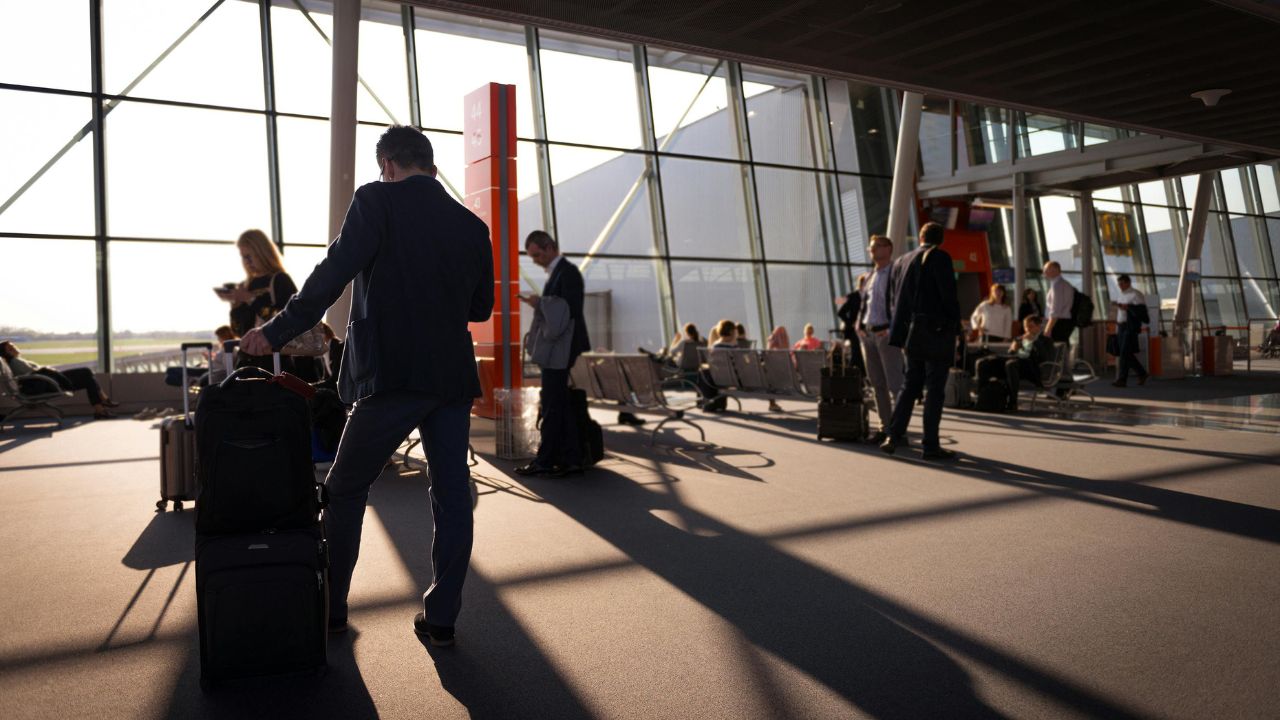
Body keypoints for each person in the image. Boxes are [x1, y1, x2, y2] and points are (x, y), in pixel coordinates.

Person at [240, 125, 493, 647]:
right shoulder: (471, 225)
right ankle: (442, 618)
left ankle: (332, 607)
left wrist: (275, 331)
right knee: (450, 496)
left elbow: (332, 274)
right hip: (449, 377)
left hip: (391, 375)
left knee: (346, 487)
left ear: (389, 166)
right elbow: (480, 308)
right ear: (431, 164)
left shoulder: (377, 200)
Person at [881, 222, 961, 461]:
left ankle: (893, 436)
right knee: (935, 389)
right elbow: (948, 296)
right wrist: (956, 328)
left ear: (920, 237)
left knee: (910, 385)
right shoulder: (940, 257)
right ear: (941, 239)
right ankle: (930, 446)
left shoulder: (901, 261)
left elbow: (891, 299)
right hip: (935, 332)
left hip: (910, 334)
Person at [515, 231, 591, 477]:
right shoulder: (563, 273)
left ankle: (547, 459)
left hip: (561, 349)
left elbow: (564, 314)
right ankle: (569, 457)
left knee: (552, 403)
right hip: (563, 348)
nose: (535, 260)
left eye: (537, 254)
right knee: (559, 403)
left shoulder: (566, 273)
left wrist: (540, 303)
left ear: (550, 248)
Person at [215, 229, 300, 374]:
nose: (247, 262)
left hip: (276, 360)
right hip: (248, 360)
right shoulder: (247, 285)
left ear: (261, 252)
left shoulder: (280, 280)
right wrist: (236, 306)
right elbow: (238, 332)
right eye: (243, 257)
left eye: (249, 256)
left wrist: (250, 299)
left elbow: (287, 319)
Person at [857, 234, 904, 444]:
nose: (871, 251)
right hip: (868, 335)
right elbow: (864, 303)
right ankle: (885, 427)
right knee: (877, 384)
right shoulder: (870, 276)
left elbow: (902, 304)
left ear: (888, 249)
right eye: (871, 248)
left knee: (894, 383)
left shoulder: (895, 273)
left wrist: (893, 329)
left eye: (876, 247)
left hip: (885, 334)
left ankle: (898, 430)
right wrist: (859, 325)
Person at [1, 341, 119, 419]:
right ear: (6, 353)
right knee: (86, 372)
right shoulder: (15, 362)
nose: (13, 348)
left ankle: (100, 409)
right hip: (48, 382)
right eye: (9, 349)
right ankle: (103, 403)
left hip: (48, 380)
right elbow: (35, 373)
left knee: (88, 378)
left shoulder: (16, 360)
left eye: (12, 346)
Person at [975, 315, 1055, 412]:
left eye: (1030, 326)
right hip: (1015, 364)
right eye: (1025, 326)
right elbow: (1011, 354)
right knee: (983, 362)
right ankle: (982, 398)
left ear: (1038, 327)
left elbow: (1045, 358)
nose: (1027, 329)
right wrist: (1013, 349)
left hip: (1032, 369)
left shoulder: (1045, 341)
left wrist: (1034, 341)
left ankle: (1013, 403)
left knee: (1011, 364)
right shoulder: (1020, 339)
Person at [1111, 274, 1149, 388]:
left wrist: (1128, 308)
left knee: (1124, 353)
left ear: (1128, 283)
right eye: (1119, 284)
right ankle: (1142, 373)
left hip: (1130, 326)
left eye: (1122, 284)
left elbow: (1142, 311)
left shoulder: (1136, 295)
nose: (1120, 286)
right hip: (1121, 326)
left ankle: (1122, 379)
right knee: (1126, 353)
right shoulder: (1121, 295)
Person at [699, 319, 738, 413]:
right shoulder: (735, 348)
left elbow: (713, 364)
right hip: (733, 379)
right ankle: (719, 403)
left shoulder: (715, 347)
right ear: (732, 332)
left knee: (704, 372)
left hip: (719, 379)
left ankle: (709, 402)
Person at [1042, 261, 1076, 345]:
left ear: (1055, 270)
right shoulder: (1062, 284)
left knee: (1056, 350)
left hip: (1058, 323)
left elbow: (1055, 309)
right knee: (1062, 348)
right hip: (1062, 322)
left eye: (1046, 269)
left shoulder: (1057, 285)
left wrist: (1048, 328)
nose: (1044, 272)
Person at [765, 326, 790, 411]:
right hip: (788, 386)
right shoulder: (786, 360)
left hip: (767, 384)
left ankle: (772, 403)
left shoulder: (768, 359)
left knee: (770, 379)